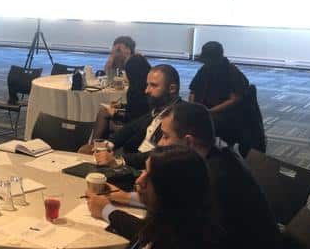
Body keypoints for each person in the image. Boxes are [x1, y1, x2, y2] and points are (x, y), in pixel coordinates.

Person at [106, 102, 282, 249]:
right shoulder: (214, 155)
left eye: (165, 136)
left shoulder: (215, 177)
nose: (159, 143)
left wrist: (108, 211)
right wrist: (127, 197)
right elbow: (174, 204)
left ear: (189, 142)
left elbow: (166, 233)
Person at [86, 145, 222, 249]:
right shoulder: (180, 223)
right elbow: (144, 230)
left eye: (150, 176)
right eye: (144, 171)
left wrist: (107, 209)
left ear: (170, 190)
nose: (139, 180)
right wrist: (116, 203)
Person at [93, 64, 181, 169]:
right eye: (147, 85)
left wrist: (121, 161)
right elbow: (130, 128)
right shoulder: (159, 109)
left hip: (149, 169)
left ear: (172, 89)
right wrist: (107, 144)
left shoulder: (179, 116)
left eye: (153, 85)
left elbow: (163, 153)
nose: (146, 90)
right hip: (134, 162)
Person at [79, 54, 151, 153]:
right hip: (139, 123)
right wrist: (121, 106)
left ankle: (93, 147)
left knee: (103, 115)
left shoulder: (136, 91)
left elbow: (134, 118)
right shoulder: (145, 86)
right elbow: (138, 109)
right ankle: (97, 147)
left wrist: (115, 113)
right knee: (104, 114)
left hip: (135, 128)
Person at [190, 41, 249, 145]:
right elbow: (193, 91)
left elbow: (234, 99)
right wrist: (193, 107)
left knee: (206, 124)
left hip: (224, 112)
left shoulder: (232, 72)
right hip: (204, 108)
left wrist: (210, 111)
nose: (206, 63)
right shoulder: (205, 69)